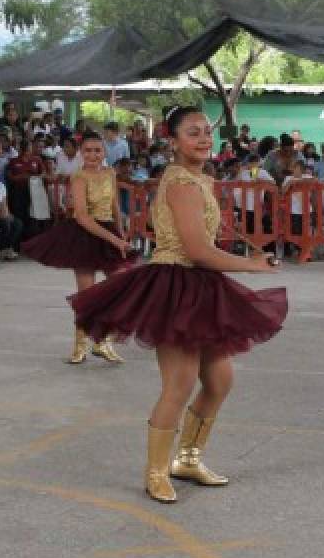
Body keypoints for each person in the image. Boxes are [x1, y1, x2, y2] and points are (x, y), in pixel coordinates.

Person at [69, 106, 286, 504]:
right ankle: (155, 471)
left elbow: (207, 242)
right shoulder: (181, 182)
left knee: (219, 381)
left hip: (201, 286)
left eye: (207, 132)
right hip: (175, 284)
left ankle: (187, 458)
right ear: (172, 141)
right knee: (180, 384)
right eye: (193, 133)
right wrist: (252, 265)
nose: (204, 139)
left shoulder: (200, 179)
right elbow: (198, 250)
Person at [20, 132, 137, 364]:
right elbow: (82, 217)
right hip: (84, 235)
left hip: (110, 233)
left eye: (98, 150)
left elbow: (115, 207)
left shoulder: (110, 173)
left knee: (120, 289)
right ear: (81, 153)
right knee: (86, 295)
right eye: (88, 151)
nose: (93, 155)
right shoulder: (79, 177)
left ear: (104, 152)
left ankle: (103, 341)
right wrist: (116, 240)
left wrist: (121, 234)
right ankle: (81, 345)